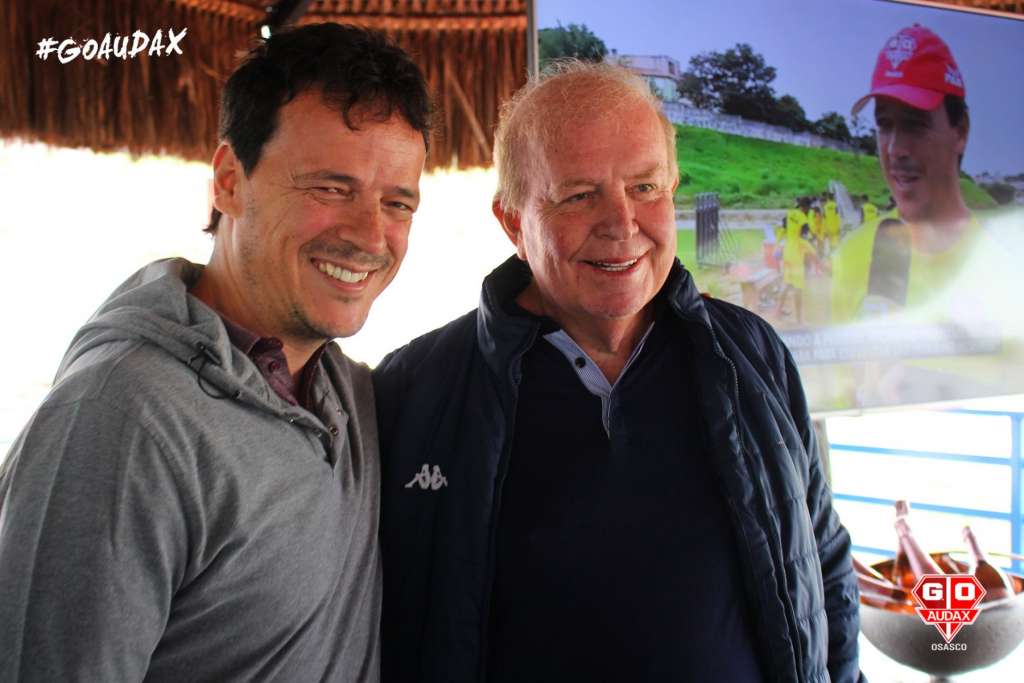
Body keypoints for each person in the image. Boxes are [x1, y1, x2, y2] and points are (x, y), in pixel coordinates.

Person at [374, 60, 862, 683]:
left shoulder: (753, 353)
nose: (622, 224)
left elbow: (822, 558)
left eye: (646, 188)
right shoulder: (416, 390)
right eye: (579, 195)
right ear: (513, 222)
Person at [0, 23, 429, 681]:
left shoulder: (350, 396)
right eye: (330, 187)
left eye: (397, 202)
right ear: (229, 180)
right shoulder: (119, 416)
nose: (371, 234)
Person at [832, 24, 975, 321]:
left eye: (915, 124)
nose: (895, 149)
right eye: (885, 124)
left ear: (959, 131)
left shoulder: (1008, 261)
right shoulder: (851, 255)